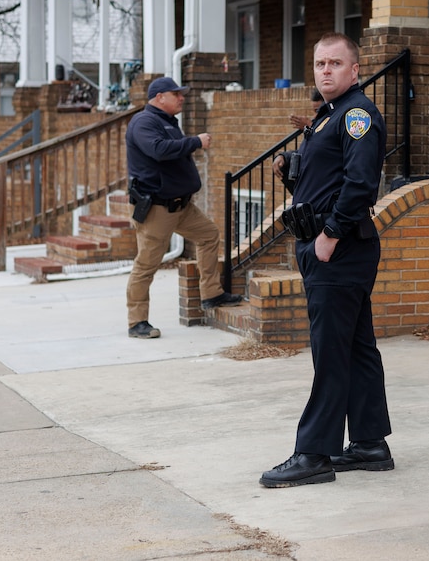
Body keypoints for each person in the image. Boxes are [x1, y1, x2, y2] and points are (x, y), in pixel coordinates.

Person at [260, 32, 393, 489]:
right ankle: (370, 444)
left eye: (335, 63)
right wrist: (292, 170)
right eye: (320, 64)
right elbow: (328, 180)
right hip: (330, 245)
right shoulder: (329, 115)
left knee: (331, 352)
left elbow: (360, 183)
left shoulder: (356, 114)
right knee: (355, 347)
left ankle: (314, 453)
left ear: (355, 70)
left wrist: (330, 234)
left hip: (339, 248)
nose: (326, 71)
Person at [124, 77, 242, 339]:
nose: (182, 98)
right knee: (146, 265)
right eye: (175, 94)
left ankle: (211, 293)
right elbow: (158, 150)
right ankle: (137, 322)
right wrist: (195, 142)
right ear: (159, 97)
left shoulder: (167, 122)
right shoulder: (144, 122)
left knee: (209, 235)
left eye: (182, 94)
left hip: (182, 206)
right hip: (157, 209)